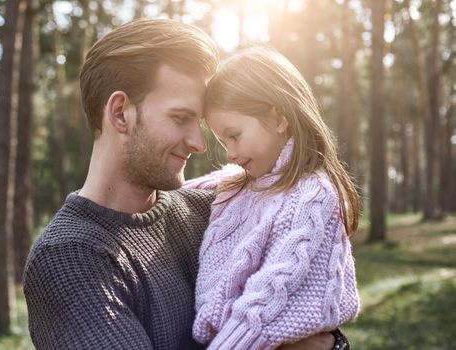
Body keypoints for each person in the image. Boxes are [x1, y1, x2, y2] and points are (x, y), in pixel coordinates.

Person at [23, 19, 346, 350]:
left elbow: (308, 313)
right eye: (180, 118)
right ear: (121, 113)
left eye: (199, 123)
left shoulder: (215, 210)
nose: (199, 143)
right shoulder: (69, 259)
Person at [184, 46, 360, 349]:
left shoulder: (312, 198)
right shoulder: (245, 182)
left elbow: (260, 313)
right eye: (223, 141)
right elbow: (182, 191)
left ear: (279, 118)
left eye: (234, 135)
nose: (230, 153)